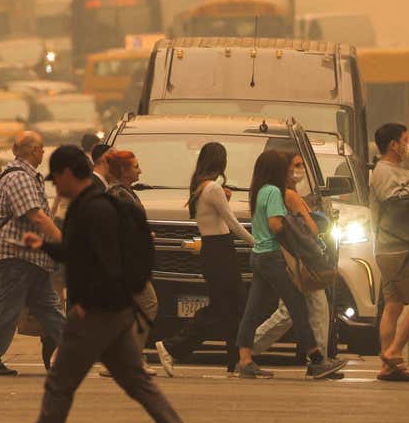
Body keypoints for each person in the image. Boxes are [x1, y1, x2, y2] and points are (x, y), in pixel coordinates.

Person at [0, 146, 208, 423]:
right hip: (114, 312)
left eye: (56, 177)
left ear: (65, 174)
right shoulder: (91, 205)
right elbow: (78, 253)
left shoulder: (93, 209)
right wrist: (43, 246)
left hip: (97, 312)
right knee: (140, 385)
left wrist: (86, 305)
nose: (55, 185)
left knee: (59, 386)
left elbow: (106, 264)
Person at [231, 150, 330, 379]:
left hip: (258, 255)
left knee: (252, 310)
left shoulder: (258, 192)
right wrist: (295, 235)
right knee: (297, 305)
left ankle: (245, 360)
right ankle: (316, 359)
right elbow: (276, 225)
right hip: (273, 256)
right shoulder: (274, 192)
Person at [247, 160, 347, 381]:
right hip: (294, 257)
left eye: (301, 164)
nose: (297, 169)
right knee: (307, 307)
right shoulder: (286, 194)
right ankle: (318, 360)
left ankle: (247, 350)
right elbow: (306, 226)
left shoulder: (270, 192)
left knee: (290, 311)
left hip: (283, 257)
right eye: (294, 165)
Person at [157, 142, 251, 375]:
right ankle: (171, 347)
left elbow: (217, 218)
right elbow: (231, 222)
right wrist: (257, 243)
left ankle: (235, 360)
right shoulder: (213, 189)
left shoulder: (201, 187)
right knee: (222, 308)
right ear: (220, 161)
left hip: (213, 250)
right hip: (221, 251)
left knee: (234, 307)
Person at [0, 131, 65, 376]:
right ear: (34, 151)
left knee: (49, 307)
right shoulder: (20, 178)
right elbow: (36, 216)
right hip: (18, 256)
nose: (44, 153)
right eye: (42, 148)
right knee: (6, 310)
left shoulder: (25, 176)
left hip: (30, 257)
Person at [370, 123, 409, 383]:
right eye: (405, 140)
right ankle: (395, 351)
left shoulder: (395, 170)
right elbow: (391, 199)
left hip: (392, 247)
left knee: (394, 305)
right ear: (393, 145)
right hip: (398, 248)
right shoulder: (383, 170)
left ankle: (387, 365)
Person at [101, 150, 159, 376]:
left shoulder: (120, 193)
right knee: (149, 304)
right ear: (124, 171)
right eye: (135, 167)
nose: (140, 170)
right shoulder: (120, 195)